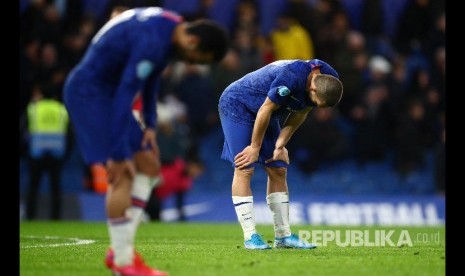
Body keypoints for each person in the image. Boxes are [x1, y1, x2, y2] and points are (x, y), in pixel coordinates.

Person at [63, 7, 229, 276]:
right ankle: (123, 262)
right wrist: (118, 153)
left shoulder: (170, 26)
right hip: (90, 95)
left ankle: (120, 250)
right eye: (196, 58)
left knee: (150, 167)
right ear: (193, 41)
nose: (191, 63)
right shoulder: (153, 41)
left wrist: (149, 125)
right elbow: (125, 93)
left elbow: (150, 81)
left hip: (108, 95)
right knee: (123, 174)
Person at [218, 59, 343, 250]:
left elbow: (301, 112)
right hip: (239, 104)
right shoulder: (292, 77)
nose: (318, 108)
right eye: (319, 103)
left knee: (278, 169)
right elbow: (265, 109)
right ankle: (250, 236)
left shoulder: (327, 79)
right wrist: (254, 146)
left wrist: (280, 145)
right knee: (244, 167)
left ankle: (283, 236)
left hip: (267, 111)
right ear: (313, 90)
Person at [25, 83, 70, 220]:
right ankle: (56, 217)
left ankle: (30, 215)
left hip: (37, 153)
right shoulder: (62, 109)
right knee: (55, 187)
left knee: (33, 186)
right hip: (56, 154)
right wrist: (66, 153)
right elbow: (69, 133)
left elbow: (25, 130)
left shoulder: (33, 108)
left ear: (42, 94)